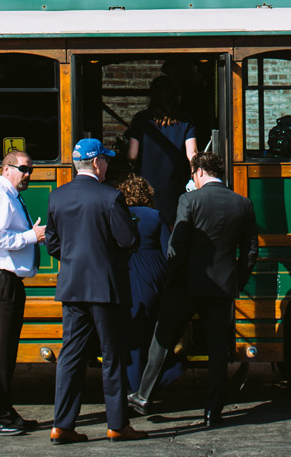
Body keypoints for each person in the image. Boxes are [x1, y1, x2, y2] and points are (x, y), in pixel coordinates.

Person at [133, 150, 259, 430]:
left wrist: (172, 279)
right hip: (222, 287)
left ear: (200, 172)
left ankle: (144, 395)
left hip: (187, 284)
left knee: (163, 337)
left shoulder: (189, 200)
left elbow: (176, 247)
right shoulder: (243, 203)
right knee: (217, 351)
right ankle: (213, 413)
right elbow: (250, 251)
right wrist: (237, 280)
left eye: (193, 174)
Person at [44, 139, 146, 444]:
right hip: (106, 288)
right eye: (105, 161)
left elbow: (52, 243)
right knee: (112, 357)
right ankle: (117, 424)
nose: (107, 166)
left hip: (72, 287)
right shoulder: (111, 197)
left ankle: (61, 424)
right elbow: (128, 240)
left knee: (70, 357)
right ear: (97, 163)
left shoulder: (57, 197)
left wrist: (75, 261)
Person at [0, 151, 46, 436]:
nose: (28, 174)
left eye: (31, 170)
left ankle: (4, 409)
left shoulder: (10, 196)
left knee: (6, 351)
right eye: (23, 169)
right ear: (6, 169)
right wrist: (32, 236)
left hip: (8, 280)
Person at [113, 172, 183, 412]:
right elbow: (168, 250)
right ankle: (158, 379)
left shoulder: (118, 214)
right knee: (153, 334)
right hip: (153, 274)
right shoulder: (156, 216)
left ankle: (133, 389)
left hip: (126, 272)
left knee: (131, 337)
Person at [125, 70, 200, 236]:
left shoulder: (141, 119)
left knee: (147, 228)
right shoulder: (186, 120)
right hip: (174, 184)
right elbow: (192, 154)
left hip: (146, 185)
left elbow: (132, 154)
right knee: (173, 229)